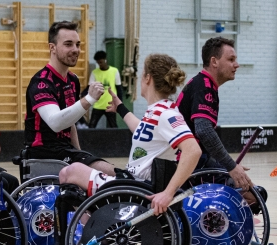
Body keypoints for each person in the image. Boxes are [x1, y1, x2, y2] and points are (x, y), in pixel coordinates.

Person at [60, 54, 201, 214]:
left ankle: (83, 231)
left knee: (69, 172)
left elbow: (193, 150)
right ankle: (89, 227)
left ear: (147, 78)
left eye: (142, 75)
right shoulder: (158, 109)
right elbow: (141, 130)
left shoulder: (167, 114)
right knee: (80, 169)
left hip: (136, 188)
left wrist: (168, 193)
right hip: (131, 181)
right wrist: (119, 107)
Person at [22, 21, 113, 175]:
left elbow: (70, 122)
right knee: (108, 172)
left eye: (77, 44)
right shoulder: (42, 82)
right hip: (44, 154)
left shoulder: (73, 80)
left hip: (65, 152)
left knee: (112, 172)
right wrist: (89, 99)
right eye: (68, 44)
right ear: (52, 48)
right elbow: (56, 123)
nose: (75, 50)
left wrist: (80, 154)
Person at [174, 37, 251, 190]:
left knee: (248, 190)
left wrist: (228, 164)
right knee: (254, 195)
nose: (237, 65)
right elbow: (204, 131)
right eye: (231, 59)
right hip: (190, 165)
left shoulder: (202, 83)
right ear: (214, 61)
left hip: (196, 161)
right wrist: (230, 166)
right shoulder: (204, 86)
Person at [88, 50, 123, 128]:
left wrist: (120, 104)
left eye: (101, 62)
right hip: (98, 104)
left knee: (113, 126)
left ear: (105, 60)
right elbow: (89, 88)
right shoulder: (94, 72)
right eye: (98, 63)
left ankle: (117, 140)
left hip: (110, 104)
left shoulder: (114, 71)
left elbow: (119, 89)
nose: (99, 64)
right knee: (91, 126)